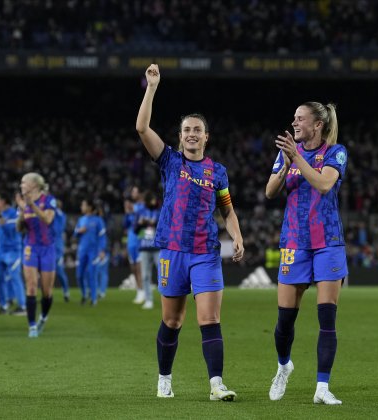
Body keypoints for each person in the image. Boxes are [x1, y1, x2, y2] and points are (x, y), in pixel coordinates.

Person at [136, 64, 244, 401]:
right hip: (172, 250)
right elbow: (141, 127)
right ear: (180, 135)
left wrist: (237, 235)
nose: (192, 134)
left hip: (205, 252)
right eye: (187, 130)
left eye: (197, 130)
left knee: (209, 318)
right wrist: (152, 87)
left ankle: (216, 384)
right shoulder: (169, 161)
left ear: (206, 136)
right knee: (173, 321)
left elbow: (226, 209)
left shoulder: (217, 171)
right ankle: (164, 378)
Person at [265, 101, 348, 405]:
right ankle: (283, 365)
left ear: (317, 125)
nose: (295, 123)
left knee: (327, 317)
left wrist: (297, 157)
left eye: (300, 119)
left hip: (328, 242)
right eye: (294, 117)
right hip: (294, 242)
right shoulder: (286, 154)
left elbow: (324, 184)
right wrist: (288, 161)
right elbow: (270, 191)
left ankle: (322, 388)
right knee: (285, 319)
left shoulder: (335, 152)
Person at [16, 172, 56, 338]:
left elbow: (47, 220)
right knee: (31, 286)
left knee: (46, 291)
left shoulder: (48, 200)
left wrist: (31, 205)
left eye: (23, 182)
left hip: (47, 248)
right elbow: (19, 228)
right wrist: (21, 213)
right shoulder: (24, 202)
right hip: (30, 247)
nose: (21, 185)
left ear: (33, 185)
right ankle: (32, 325)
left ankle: (43, 317)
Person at [0, 189, 26, 315]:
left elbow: (11, 231)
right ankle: (3, 305)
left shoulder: (14, 214)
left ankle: (22, 306)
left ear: (3, 201)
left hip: (14, 250)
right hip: (0, 250)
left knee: (14, 276)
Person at [73, 198, 106, 306]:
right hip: (82, 250)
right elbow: (75, 234)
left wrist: (102, 250)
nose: (81, 207)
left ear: (89, 207)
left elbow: (102, 236)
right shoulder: (81, 219)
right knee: (79, 275)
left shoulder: (98, 220)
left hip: (94, 251)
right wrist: (79, 231)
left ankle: (93, 298)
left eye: (83, 205)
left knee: (92, 274)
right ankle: (84, 294)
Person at [135, 190, 161, 310]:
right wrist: (141, 224)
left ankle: (166, 298)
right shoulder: (140, 212)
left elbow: (164, 227)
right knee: (145, 275)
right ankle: (148, 300)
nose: (154, 201)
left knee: (162, 275)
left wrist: (154, 223)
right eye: (152, 199)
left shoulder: (159, 211)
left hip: (157, 246)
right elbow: (135, 230)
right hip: (144, 246)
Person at [52, 199, 70, 302]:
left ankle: (66, 291)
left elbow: (59, 229)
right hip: (48, 245)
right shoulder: (50, 214)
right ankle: (47, 293)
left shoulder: (60, 215)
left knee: (59, 271)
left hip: (57, 247)